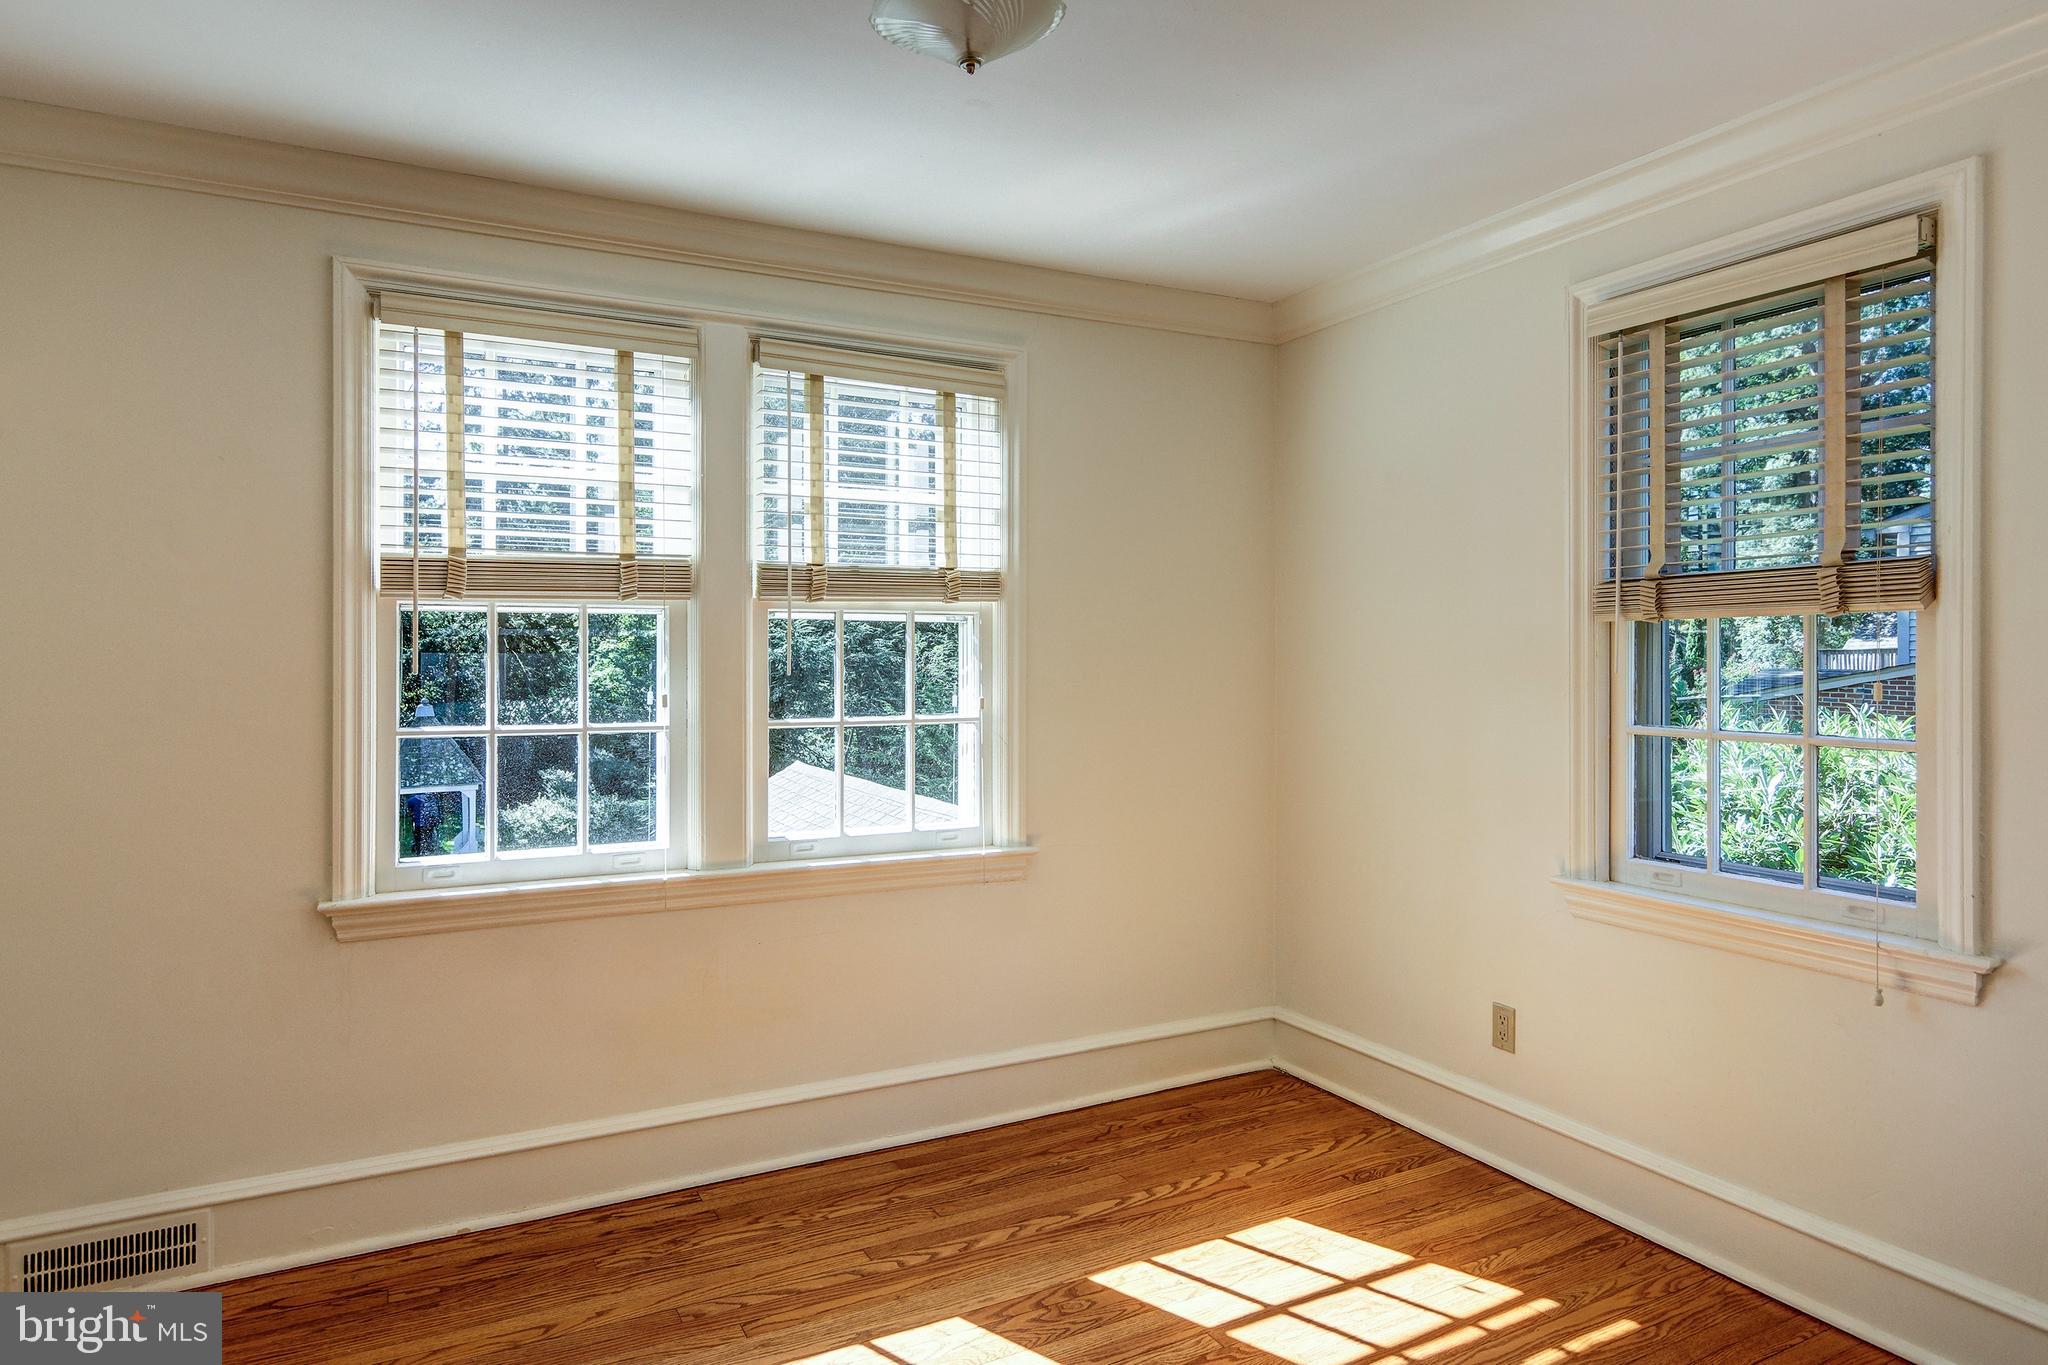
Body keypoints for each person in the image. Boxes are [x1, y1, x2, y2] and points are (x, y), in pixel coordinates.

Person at [405, 791, 444, 857]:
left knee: (418, 839)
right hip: (430, 824)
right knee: (429, 837)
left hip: (418, 824)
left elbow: (409, 812)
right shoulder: (433, 798)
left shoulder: (411, 800)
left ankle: (419, 853)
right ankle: (428, 850)